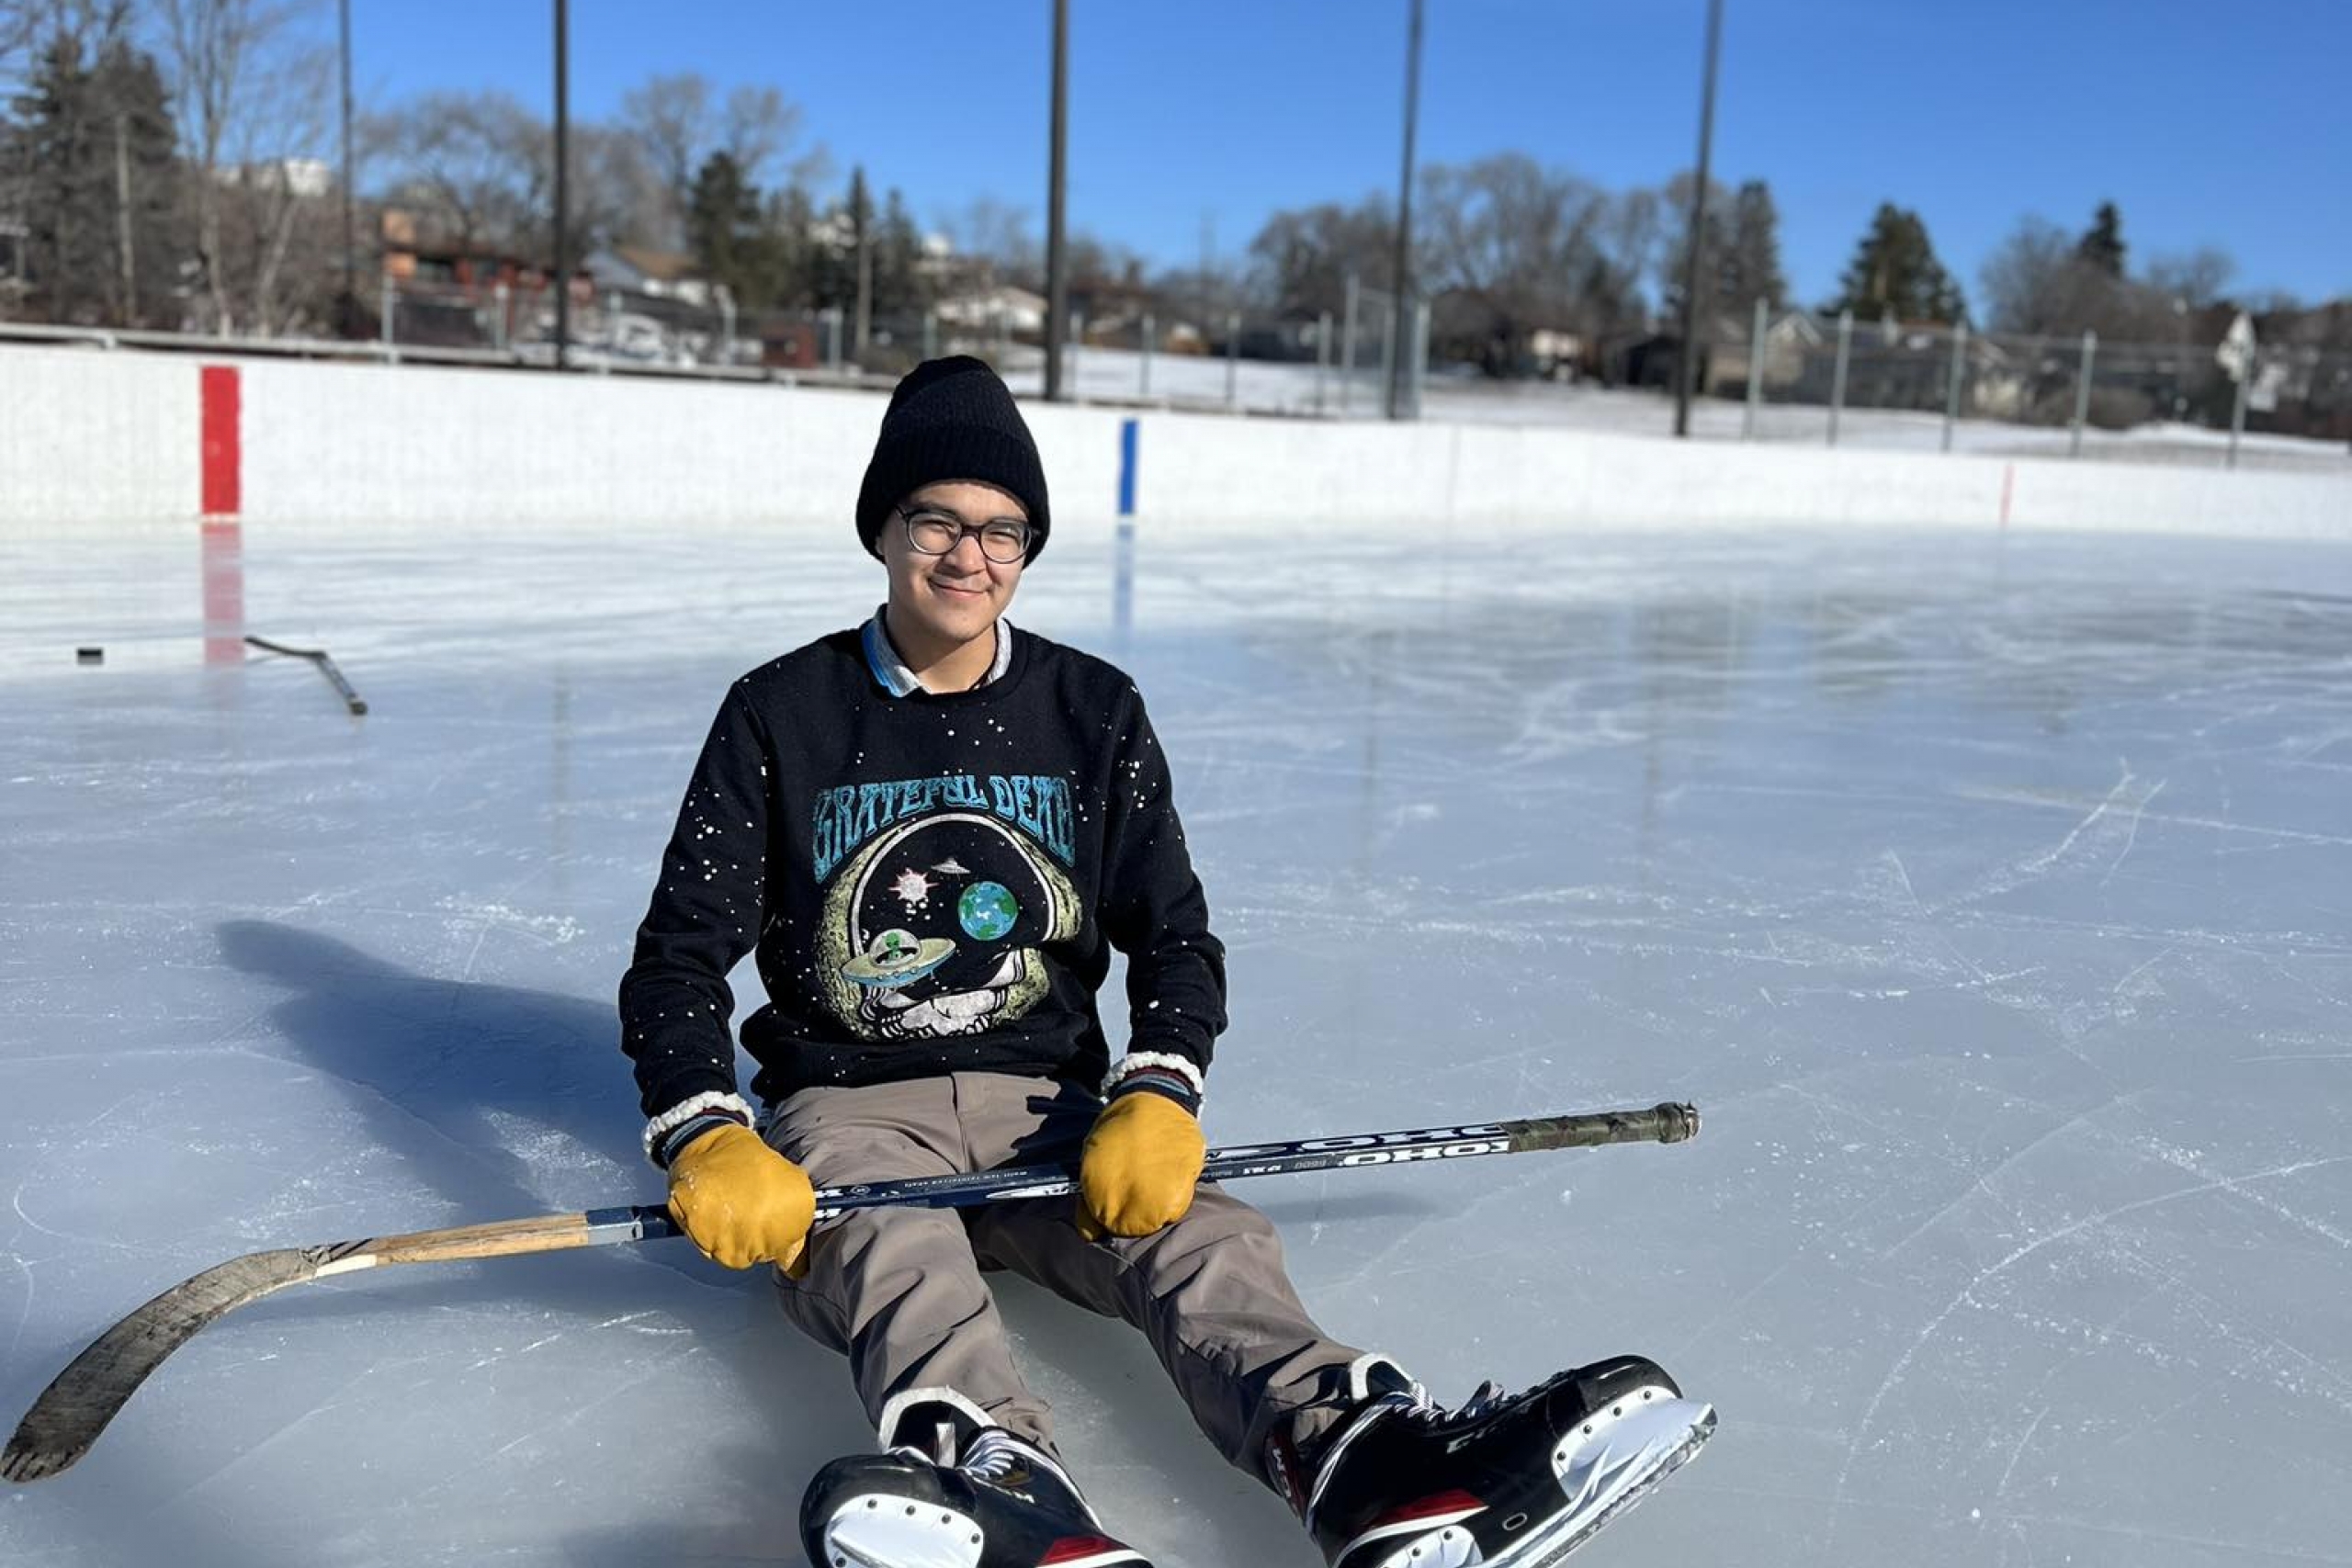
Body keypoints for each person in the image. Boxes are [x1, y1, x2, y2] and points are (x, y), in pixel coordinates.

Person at [618, 356, 1713, 1568]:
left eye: (1004, 528)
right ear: (884, 526)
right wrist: (708, 1133)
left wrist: (1156, 1096)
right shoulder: (783, 712)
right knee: (895, 1258)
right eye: (940, 517)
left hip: (1046, 1106)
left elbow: (1176, 939)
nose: (970, 553)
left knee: (1203, 1241)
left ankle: (1369, 1466)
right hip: (852, 1109)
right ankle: (1001, 1493)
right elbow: (675, 963)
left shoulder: (1093, 709)